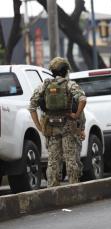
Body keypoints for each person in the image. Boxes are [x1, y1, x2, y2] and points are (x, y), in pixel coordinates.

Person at [29, 57, 86, 187]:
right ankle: (74, 188)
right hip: (68, 126)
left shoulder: (45, 85)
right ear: (66, 70)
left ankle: (53, 190)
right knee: (70, 159)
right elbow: (82, 99)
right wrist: (76, 116)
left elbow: (32, 106)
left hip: (50, 128)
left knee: (53, 161)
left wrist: (39, 126)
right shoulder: (70, 84)